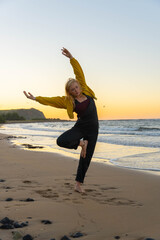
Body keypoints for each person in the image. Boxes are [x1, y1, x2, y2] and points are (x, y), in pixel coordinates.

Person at [23, 48, 99, 193]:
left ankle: (78, 184)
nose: (76, 90)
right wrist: (36, 98)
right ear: (69, 92)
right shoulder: (68, 101)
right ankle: (82, 143)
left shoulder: (86, 90)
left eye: (76, 87)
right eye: (72, 89)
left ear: (79, 86)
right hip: (81, 127)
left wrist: (71, 58)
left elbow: (79, 72)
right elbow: (52, 100)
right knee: (61, 141)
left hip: (94, 129)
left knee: (86, 158)